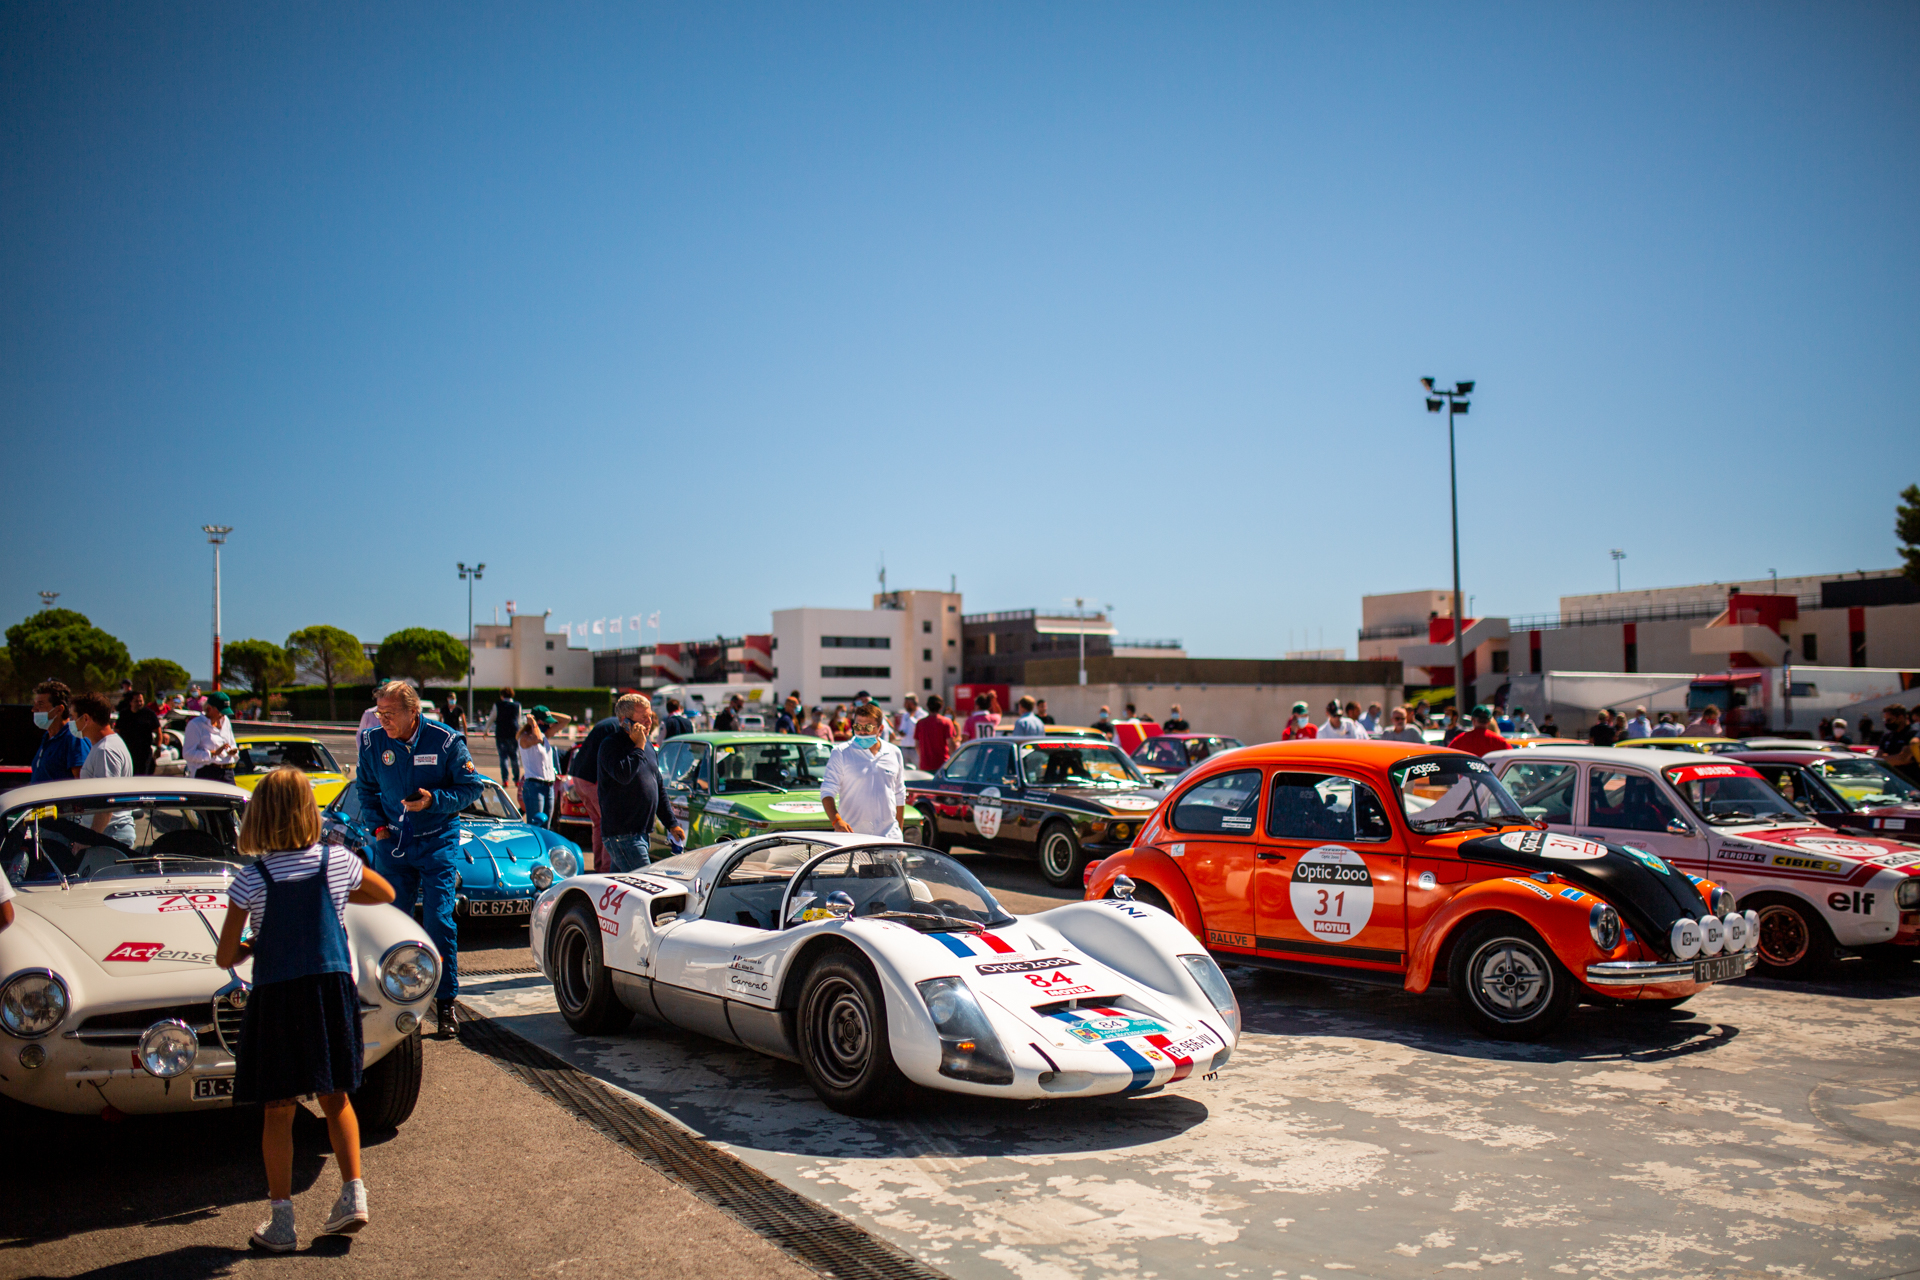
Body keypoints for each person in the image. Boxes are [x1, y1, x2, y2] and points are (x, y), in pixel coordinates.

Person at [216, 767, 397, 1252]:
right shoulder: (336, 861)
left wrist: (255, 941)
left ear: (259, 816)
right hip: (329, 991)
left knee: (277, 1109)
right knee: (335, 1097)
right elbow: (385, 893)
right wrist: (339, 895)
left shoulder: (250, 878)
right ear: (307, 813)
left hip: (276, 996)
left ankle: (281, 1221)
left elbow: (224, 955)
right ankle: (353, 1194)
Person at [356, 680, 484, 1036]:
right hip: (392, 846)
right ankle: (393, 1001)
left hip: (437, 842)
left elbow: (472, 787)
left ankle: (445, 1005)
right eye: (379, 713)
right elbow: (365, 789)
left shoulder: (446, 741)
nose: (383, 720)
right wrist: (378, 828)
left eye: (390, 713)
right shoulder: (372, 741)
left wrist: (433, 801)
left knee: (439, 921)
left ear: (414, 712)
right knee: (391, 924)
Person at [597, 693, 684, 872]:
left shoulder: (647, 746)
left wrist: (671, 823)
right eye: (643, 717)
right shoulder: (611, 745)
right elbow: (624, 775)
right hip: (622, 834)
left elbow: (657, 787)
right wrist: (638, 747)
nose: (649, 721)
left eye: (650, 716)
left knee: (621, 891)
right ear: (625, 720)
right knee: (647, 884)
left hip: (641, 833)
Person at [821, 703, 907, 838]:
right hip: (851, 838)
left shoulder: (894, 752)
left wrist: (898, 834)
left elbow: (900, 794)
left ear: (880, 729)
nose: (861, 732)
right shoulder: (841, 752)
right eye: (857, 726)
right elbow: (827, 791)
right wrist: (837, 821)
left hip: (889, 838)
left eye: (867, 727)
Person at [565, 710, 620, 870]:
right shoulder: (619, 727)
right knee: (609, 824)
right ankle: (605, 868)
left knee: (599, 824)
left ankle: (600, 865)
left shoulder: (609, 723)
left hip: (579, 776)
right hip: (593, 779)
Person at [29, 679, 90, 783]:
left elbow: (81, 783)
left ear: (59, 709)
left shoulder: (74, 738)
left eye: (40, 704)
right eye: (35, 704)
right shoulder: (47, 737)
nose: (34, 709)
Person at [185, 691, 240, 782]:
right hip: (207, 772)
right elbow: (188, 754)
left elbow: (232, 744)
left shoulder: (225, 721)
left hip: (227, 772)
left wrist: (232, 751)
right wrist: (212, 753)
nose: (223, 715)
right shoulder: (195, 725)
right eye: (220, 712)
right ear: (209, 708)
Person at [517, 715, 556, 827]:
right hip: (534, 786)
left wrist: (547, 713)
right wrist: (533, 722)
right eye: (546, 723)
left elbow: (566, 720)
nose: (549, 726)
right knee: (536, 825)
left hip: (549, 786)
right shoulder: (525, 738)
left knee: (546, 826)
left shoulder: (545, 736)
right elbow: (537, 738)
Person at [117, 690, 162, 775]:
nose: (139, 703)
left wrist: (158, 747)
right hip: (127, 752)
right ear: (130, 702)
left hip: (144, 753)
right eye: (136, 701)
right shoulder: (124, 714)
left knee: (143, 776)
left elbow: (158, 731)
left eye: (141, 701)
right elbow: (117, 731)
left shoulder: (149, 714)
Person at [914, 694, 959, 773]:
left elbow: (917, 745)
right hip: (942, 764)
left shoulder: (920, 723)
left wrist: (923, 758)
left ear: (927, 706)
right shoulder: (946, 722)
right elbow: (951, 744)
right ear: (941, 707)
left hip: (925, 765)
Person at [1877, 705, 1918, 786]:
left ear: (1901, 717)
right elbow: (1878, 760)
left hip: (1911, 782)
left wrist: (1885, 758)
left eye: (1889, 720)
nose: (1887, 723)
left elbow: (1903, 758)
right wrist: (1894, 759)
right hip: (1891, 782)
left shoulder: (1913, 734)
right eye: (1885, 720)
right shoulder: (1887, 736)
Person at [491, 687, 522, 783]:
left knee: (503, 757)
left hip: (501, 734)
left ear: (502, 695)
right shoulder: (517, 705)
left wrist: (486, 730)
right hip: (513, 733)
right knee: (515, 757)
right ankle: (517, 779)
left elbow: (492, 717)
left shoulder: (498, 705)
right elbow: (519, 720)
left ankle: (505, 779)